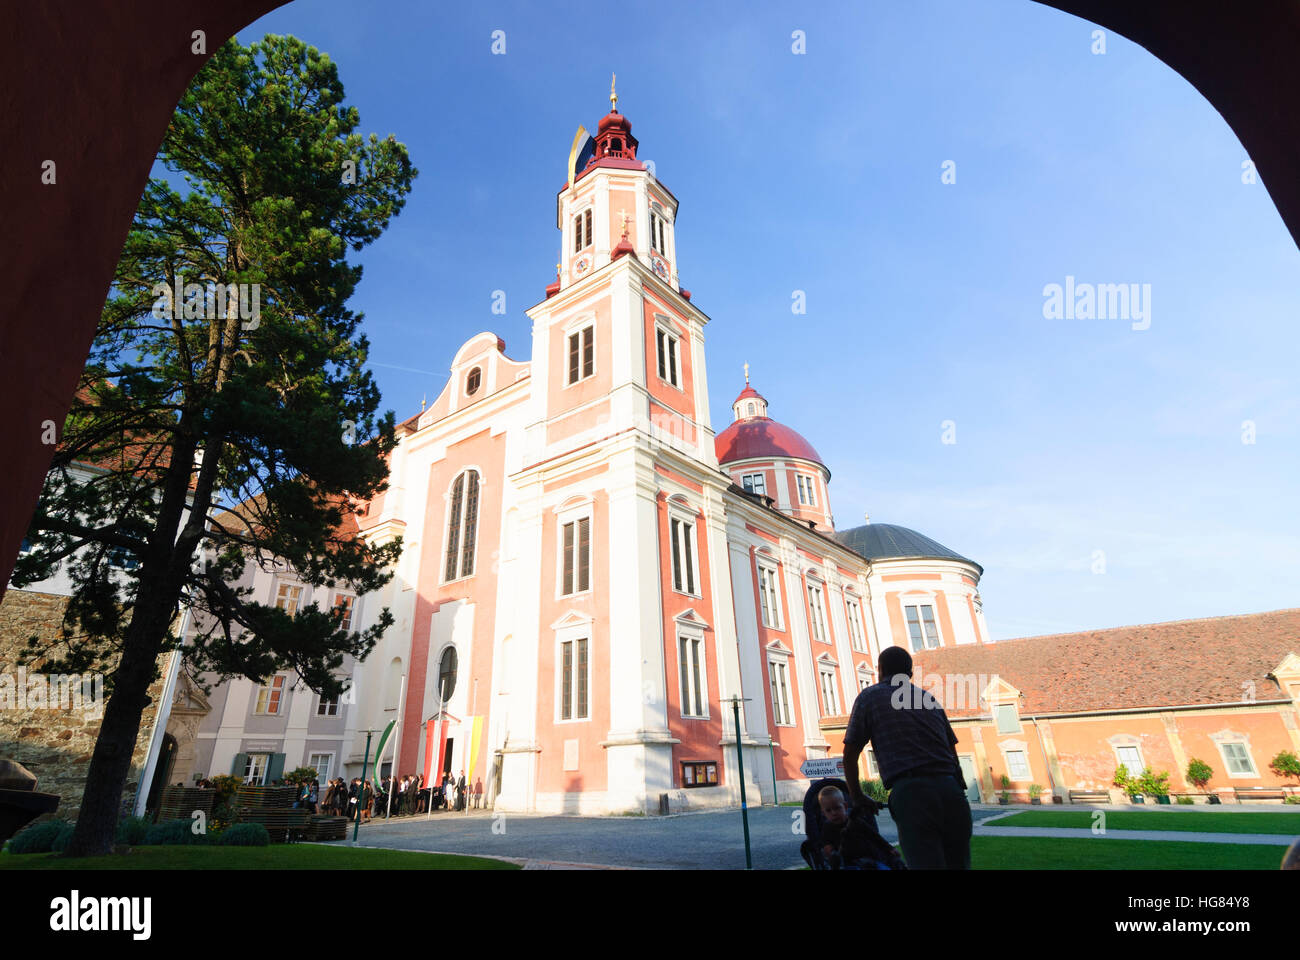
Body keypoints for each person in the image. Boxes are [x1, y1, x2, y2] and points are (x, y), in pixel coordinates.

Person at [843, 645, 972, 869]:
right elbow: (952, 751)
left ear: (880, 670)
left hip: (912, 794)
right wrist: (957, 785)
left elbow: (850, 754)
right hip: (951, 790)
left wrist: (857, 797)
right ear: (910, 674)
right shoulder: (928, 699)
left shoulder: (869, 698)